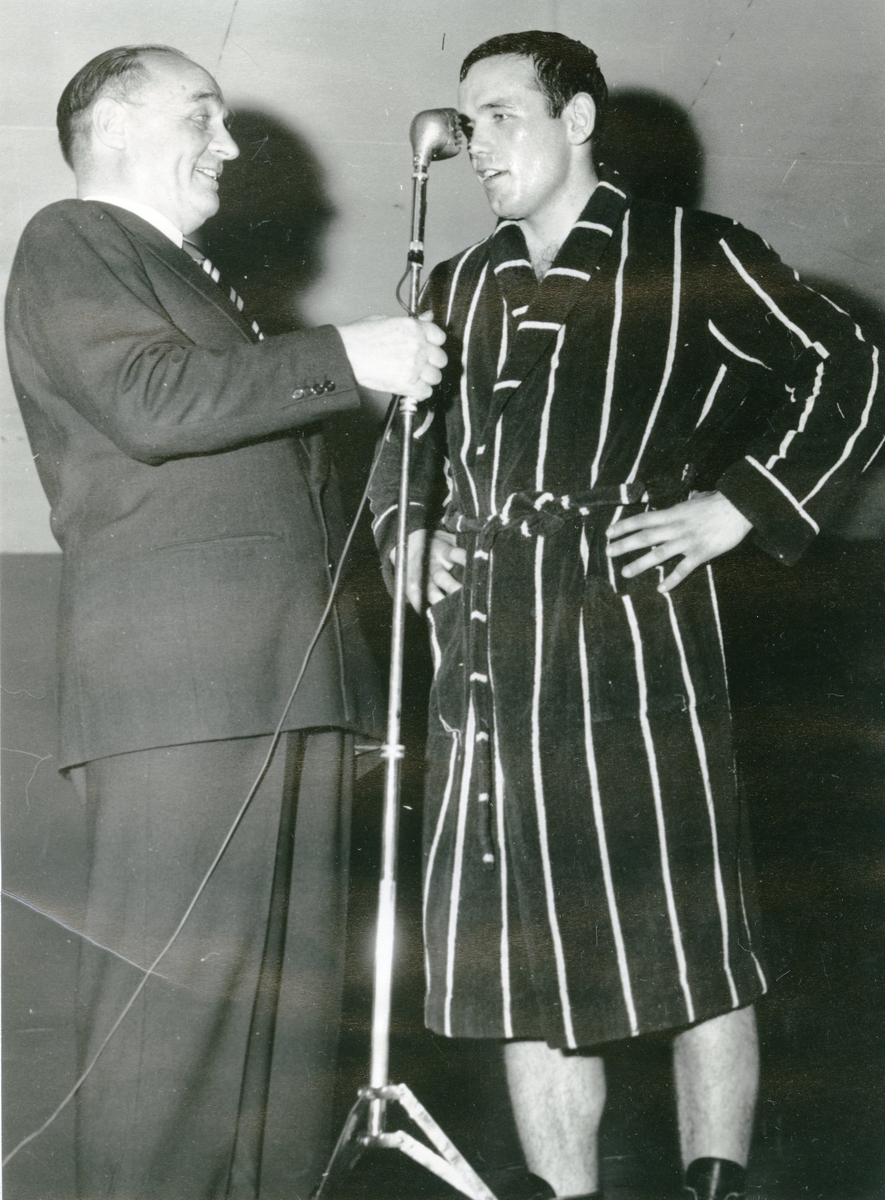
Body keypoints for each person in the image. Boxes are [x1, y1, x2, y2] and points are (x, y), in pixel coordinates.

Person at [369, 30, 883, 1200]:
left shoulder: (690, 251)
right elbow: (407, 441)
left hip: (632, 646)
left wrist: (742, 506)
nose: (475, 145)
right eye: (465, 124)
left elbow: (849, 366)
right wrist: (411, 534)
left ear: (580, 119)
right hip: (487, 667)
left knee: (694, 949)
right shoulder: (461, 283)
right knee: (526, 970)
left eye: (501, 116)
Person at [4, 44, 446, 1200]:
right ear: (112, 124)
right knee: (177, 1038)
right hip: (186, 688)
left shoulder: (201, 283)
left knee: (286, 1049)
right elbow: (149, 400)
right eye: (201, 114)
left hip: (289, 685)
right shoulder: (73, 237)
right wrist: (347, 355)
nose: (232, 144)